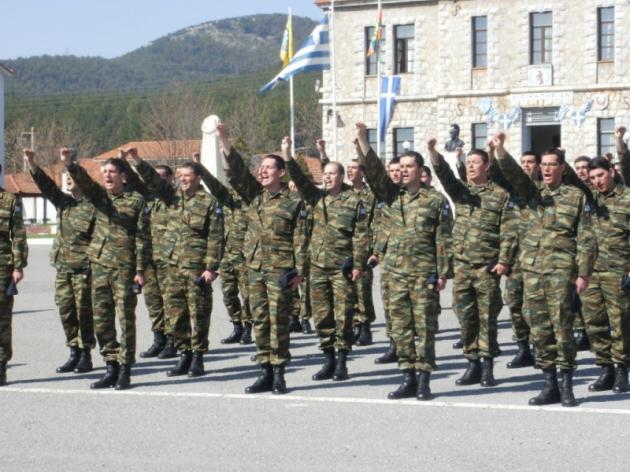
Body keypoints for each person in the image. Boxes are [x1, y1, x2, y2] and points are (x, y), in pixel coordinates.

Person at [493, 133, 595, 406]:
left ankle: (567, 385)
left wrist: (584, 273)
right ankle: (550, 384)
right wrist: (500, 151)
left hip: (561, 272)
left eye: (552, 164)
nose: (547, 169)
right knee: (539, 330)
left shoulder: (575, 196)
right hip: (532, 272)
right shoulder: (531, 192)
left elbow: (586, 236)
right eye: (544, 164)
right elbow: (513, 175)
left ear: (562, 167)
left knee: (563, 329)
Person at [354, 123, 452, 400]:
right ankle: (407, 377)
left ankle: (424, 381)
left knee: (425, 329)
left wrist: (442, 273)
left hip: (423, 275)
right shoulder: (390, 195)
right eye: (402, 166)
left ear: (421, 171)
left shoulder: (435, 200)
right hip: (395, 274)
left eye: (410, 166)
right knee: (400, 329)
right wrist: (363, 141)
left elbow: (444, 239)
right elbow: (374, 170)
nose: (404, 170)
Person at [217, 124, 307, 394]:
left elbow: (301, 239)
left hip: (281, 271)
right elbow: (238, 171)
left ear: (281, 172)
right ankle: (264, 371)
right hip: (255, 269)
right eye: (261, 168)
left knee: (278, 322)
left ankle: (279, 374)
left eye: (269, 168)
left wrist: (300, 271)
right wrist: (225, 141)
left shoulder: (293, 202)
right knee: (260, 321)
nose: (263, 171)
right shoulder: (255, 197)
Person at [128, 150, 222, 378]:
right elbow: (153, 181)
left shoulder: (209, 202)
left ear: (198, 177)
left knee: (199, 313)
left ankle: (198, 357)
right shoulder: (172, 197)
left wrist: (211, 267)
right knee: (175, 314)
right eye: (180, 175)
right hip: (172, 267)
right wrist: (138, 161)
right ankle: (184, 354)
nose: (183, 179)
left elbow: (216, 237)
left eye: (187, 175)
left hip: (196, 268)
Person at [61, 150, 149, 390]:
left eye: (112, 172)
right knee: (101, 320)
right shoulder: (99, 197)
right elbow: (86, 182)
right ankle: (110, 366)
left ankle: (125, 370)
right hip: (99, 265)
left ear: (123, 176)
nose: (107, 176)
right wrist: (70, 164)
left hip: (124, 268)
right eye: (105, 172)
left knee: (126, 320)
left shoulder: (136, 201)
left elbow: (143, 238)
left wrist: (140, 270)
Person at [283, 136, 369, 381]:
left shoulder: (354, 201)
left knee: (343, 315)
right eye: (326, 174)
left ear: (341, 177)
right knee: (322, 316)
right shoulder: (317, 198)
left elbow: (361, 235)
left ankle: (341, 361)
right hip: (318, 268)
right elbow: (299, 179)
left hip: (342, 268)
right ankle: (328, 359)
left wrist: (358, 264)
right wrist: (287, 155)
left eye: (332, 173)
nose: (328, 177)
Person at [25, 149, 96, 374]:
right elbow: (47, 187)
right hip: (63, 268)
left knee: (84, 313)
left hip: (83, 269)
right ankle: (73, 352)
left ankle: (85, 355)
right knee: (66, 311)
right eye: (67, 177)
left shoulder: (94, 206)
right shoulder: (65, 203)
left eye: (72, 176)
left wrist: (93, 267)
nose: (69, 180)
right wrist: (32, 164)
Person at [578, 157, 630, 393]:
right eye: (593, 178)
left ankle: (622, 371)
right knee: (594, 323)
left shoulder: (627, 198)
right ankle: (606, 369)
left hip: (619, 271)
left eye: (601, 175)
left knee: (620, 323)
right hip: (592, 272)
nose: (597, 181)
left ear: (611, 172)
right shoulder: (590, 198)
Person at [190, 152, 253, 345]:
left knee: (248, 295)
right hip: (226, 256)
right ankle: (237, 327)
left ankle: (248, 328)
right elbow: (213, 184)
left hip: (245, 256)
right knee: (228, 294)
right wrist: (199, 166)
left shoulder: (252, 200)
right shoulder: (227, 199)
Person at [133, 161, 179, 359]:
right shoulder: (149, 201)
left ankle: (172, 340)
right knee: (153, 302)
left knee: (170, 303)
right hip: (149, 260)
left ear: (170, 178)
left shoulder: (175, 199)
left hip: (169, 260)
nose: (156, 180)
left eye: (161, 176)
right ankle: (158, 339)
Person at [370, 157, 401, 365]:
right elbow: (379, 227)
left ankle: (410, 346)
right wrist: (376, 251)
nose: (396, 173)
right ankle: (394, 345)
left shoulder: (410, 196)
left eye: (399, 170)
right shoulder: (383, 197)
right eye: (392, 170)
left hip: (411, 261)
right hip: (388, 258)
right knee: (389, 304)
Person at [0, 163, 28, 387]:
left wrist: (18, 267)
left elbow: (18, 236)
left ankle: (1, 365)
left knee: (2, 318)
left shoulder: (10, 201)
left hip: (2, 266)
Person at [345, 159, 377, 346]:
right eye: (348, 168)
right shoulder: (345, 194)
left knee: (363, 289)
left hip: (365, 247)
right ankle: (355, 325)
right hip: (346, 247)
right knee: (349, 290)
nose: (350, 171)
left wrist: (375, 251)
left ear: (363, 172)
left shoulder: (371, 195)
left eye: (354, 168)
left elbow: (377, 222)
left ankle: (365, 327)